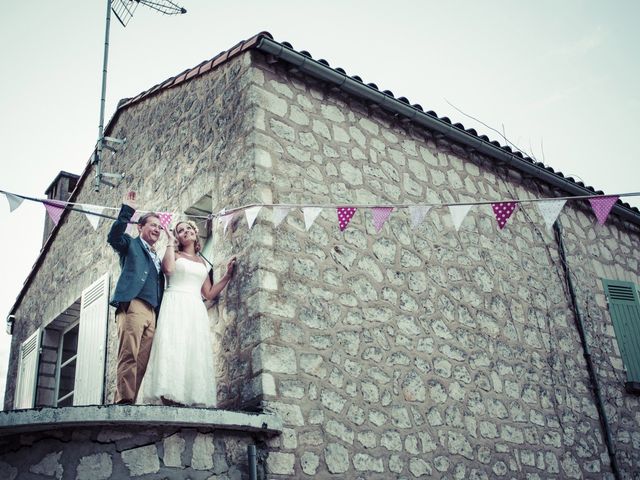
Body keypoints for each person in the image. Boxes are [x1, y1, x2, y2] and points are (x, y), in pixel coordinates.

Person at [140, 220, 236, 407]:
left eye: (189, 228)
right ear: (178, 237)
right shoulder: (174, 254)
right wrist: (169, 241)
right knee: (174, 346)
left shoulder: (201, 261)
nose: (186, 231)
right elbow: (168, 270)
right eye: (180, 230)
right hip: (175, 302)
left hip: (194, 307)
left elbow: (208, 293)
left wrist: (227, 275)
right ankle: (168, 395)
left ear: (195, 232)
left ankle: (189, 397)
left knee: (193, 348)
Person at [107, 191, 165, 405]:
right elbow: (113, 237)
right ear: (140, 227)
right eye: (153, 225)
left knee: (142, 361)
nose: (157, 229)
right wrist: (127, 210)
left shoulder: (156, 256)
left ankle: (128, 400)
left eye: (159, 227)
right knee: (129, 354)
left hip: (152, 311)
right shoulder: (130, 244)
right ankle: (123, 401)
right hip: (134, 305)